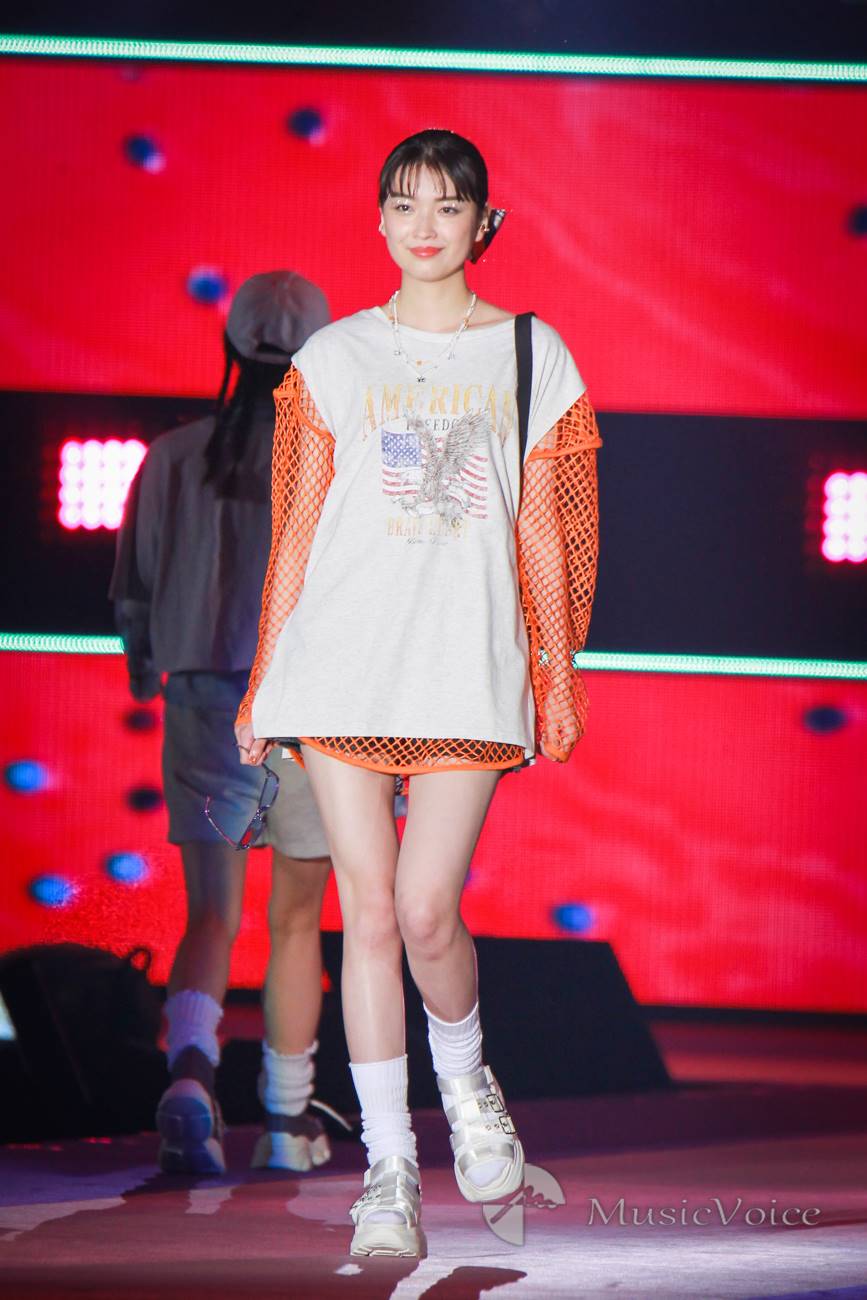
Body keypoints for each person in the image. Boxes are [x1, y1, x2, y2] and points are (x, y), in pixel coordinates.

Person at [235, 131, 602, 1257]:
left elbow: (548, 530)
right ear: (380, 219)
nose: (424, 225)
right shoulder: (334, 356)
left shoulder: (533, 352)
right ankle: (387, 1171)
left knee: (429, 908)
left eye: (448, 206)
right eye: (404, 204)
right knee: (369, 912)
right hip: (342, 663)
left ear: (485, 223)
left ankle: (470, 1085)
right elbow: (296, 531)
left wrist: (556, 669)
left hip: (463, 666)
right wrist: (264, 680)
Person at [110, 271, 336, 1176]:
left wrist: (143, 666)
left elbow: (132, 590)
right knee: (295, 921)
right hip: (315, 712)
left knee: (210, 914)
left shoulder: (171, 457)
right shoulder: (344, 459)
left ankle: (193, 1078)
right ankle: (285, 1123)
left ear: (231, 348)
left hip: (205, 700)